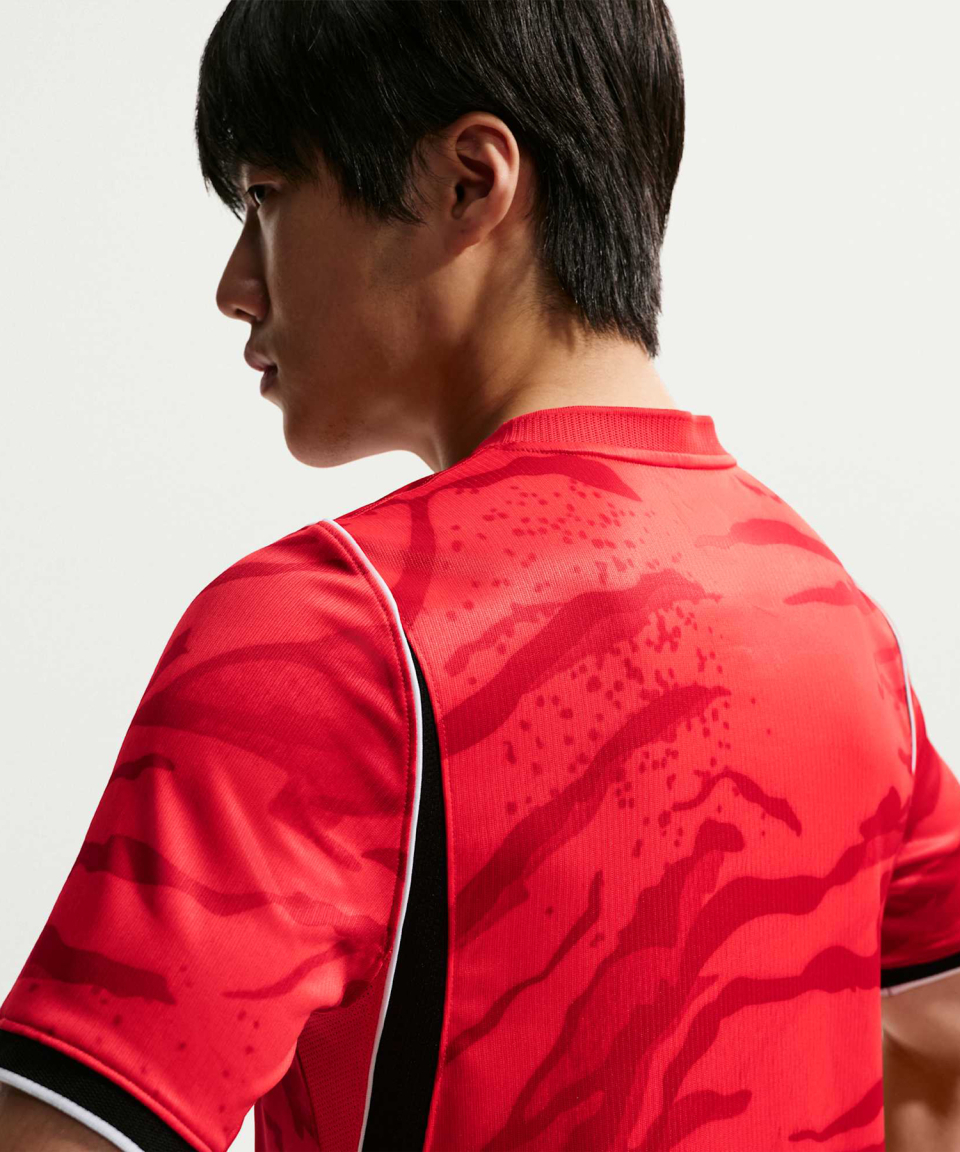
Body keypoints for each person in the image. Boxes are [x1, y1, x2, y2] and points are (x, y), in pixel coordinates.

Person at [1, 2, 957, 1150]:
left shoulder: (335, 634)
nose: (236, 284)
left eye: (265, 197)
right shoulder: (837, 624)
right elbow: (937, 1052)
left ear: (470, 181)